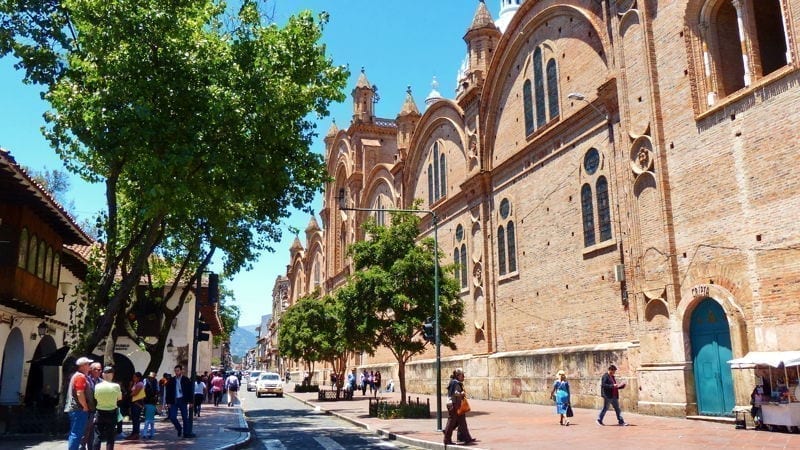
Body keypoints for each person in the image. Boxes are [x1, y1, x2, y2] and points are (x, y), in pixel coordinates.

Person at [443, 368, 477, 446]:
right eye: (462, 375)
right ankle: (447, 439)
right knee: (451, 422)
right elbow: (454, 393)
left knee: (462, 421)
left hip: (457, 404)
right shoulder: (455, 383)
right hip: (453, 404)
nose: (463, 377)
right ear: (458, 376)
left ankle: (467, 438)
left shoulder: (455, 382)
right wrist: (461, 394)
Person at [66, 356, 94, 450]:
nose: (89, 366)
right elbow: (80, 393)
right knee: (77, 433)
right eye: (87, 364)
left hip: (76, 409)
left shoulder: (78, 376)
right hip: (79, 409)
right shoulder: (80, 377)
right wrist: (85, 406)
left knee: (75, 433)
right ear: (82, 366)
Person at [92, 366, 122, 450]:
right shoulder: (116, 386)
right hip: (112, 412)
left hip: (100, 412)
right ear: (112, 375)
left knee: (97, 435)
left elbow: (96, 397)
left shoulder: (97, 386)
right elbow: (119, 398)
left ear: (103, 375)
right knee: (110, 437)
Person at [165, 364, 195, 438]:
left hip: (183, 400)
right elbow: (168, 392)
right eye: (175, 371)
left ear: (181, 371)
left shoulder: (186, 379)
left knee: (185, 417)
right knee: (172, 417)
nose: (176, 372)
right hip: (174, 400)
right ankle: (179, 428)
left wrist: (191, 401)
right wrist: (168, 402)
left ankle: (186, 433)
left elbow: (190, 391)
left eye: (178, 371)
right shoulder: (171, 380)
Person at [80, 362, 102, 450]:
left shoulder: (102, 382)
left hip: (97, 410)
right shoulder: (86, 380)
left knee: (93, 432)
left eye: (100, 369)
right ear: (91, 370)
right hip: (86, 410)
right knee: (85, 431)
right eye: (97, 369)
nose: (99, 371)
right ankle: (82, 446)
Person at [126, 372, 145, 440]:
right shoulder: (135, 384)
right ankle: (134, 433)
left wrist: (128, 395)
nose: (133, 378)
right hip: (134, 403)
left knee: (136, 419)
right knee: (134, 419)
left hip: (137, 403)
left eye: (135, 377)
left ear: (138, 378)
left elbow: (134, 393)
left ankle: (136, 434)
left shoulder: (140, 384)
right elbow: (130, 391)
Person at [142, 372, 159, 439]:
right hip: (147, 398)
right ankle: (146, 434)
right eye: (151, 377)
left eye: (153, 377)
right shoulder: (145, 380)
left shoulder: (155, 381)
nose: (152, 378)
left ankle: (150, 434)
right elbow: (143, 388)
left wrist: (156, 396)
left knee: (151, 423)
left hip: (153, 398)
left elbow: (157, 390)